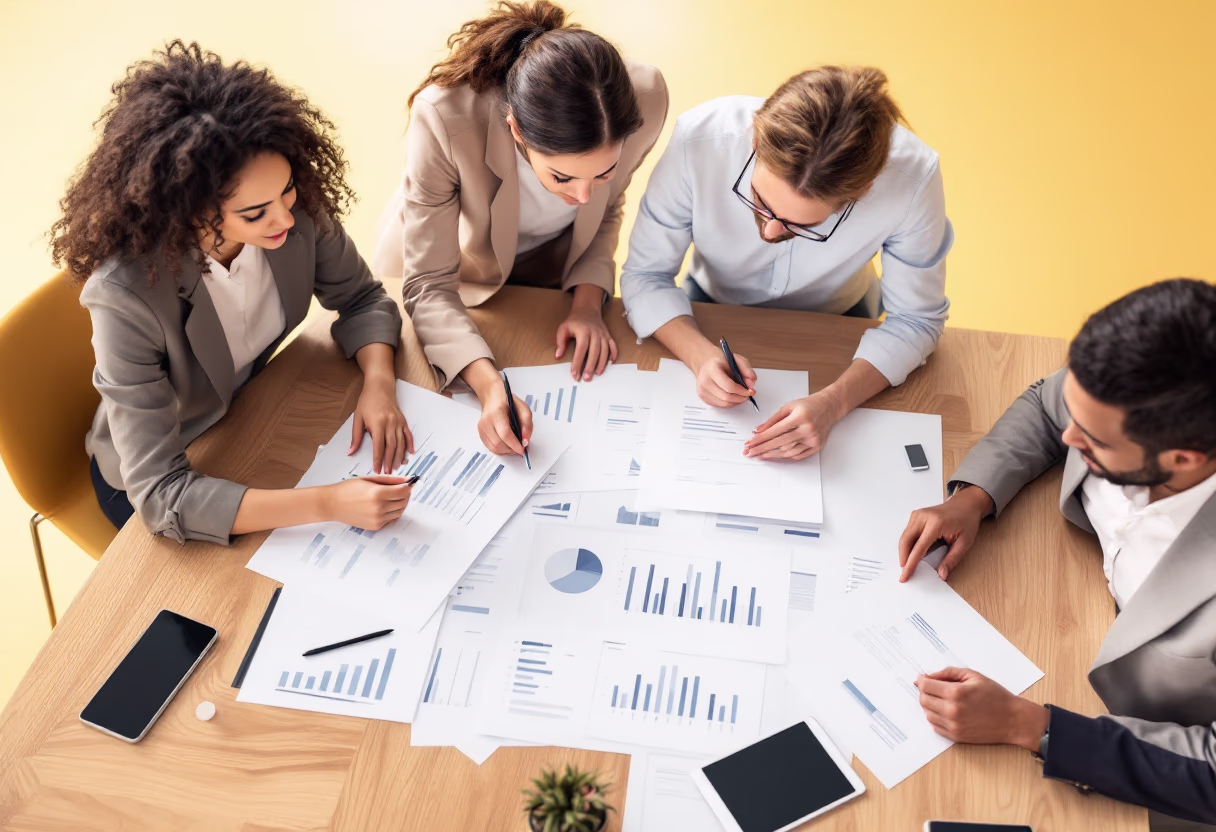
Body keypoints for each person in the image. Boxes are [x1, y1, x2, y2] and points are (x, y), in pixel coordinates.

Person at [51, 42, 414, 544]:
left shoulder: (293, 209)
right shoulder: (125, 297)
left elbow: (363, 299)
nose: (286, 218)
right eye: (254, 212)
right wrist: (328, 502)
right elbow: (160, 493)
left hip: (251, 416)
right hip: (165, 475)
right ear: (191, 207)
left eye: (286, 190)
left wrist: (379, 382)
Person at [898, 279, 1216, 831]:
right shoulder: (1121, 393)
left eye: (1093, 441)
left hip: (1143, 769)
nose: (1069, 437)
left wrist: (1033, 726)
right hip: (1067, 617)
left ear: (1183, 459)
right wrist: (974, 497)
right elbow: (1047, 406)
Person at [374, 0, 667, 458]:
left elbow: (606, 211)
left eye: (602, 173)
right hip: (451, 261)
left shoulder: (645, 99)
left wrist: (588, 305)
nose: (584, 196)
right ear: (516, 130)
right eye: (563, 178)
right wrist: (491, 388)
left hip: (549, 266)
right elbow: (430, 284)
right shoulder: (445, 115)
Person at [619, 66, 952, 461]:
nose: (772, 232)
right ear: (756, 139)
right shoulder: (700, 138)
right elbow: (645, 275)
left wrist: (833, 403)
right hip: (709, 302)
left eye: (803, 224)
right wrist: (698, 355)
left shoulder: (913, 179)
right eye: (759, 201)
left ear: (863, 191)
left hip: (843, 314)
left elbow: (916, 320)